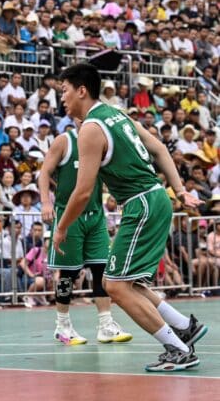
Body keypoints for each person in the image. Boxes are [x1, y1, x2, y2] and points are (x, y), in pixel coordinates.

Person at [53, 63, 207, 372]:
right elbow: (160, 148)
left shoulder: (91, 128)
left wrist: (62, 227)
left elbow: (83, 192)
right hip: (154, 198)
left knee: (115, 286)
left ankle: (178, 349)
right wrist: (179, 190)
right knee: (128, 281)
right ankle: (183, 326)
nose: (62, 99)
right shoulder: (117, 114)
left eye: (64, 91)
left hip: (142, 204)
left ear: (81, 90)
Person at [39, 123, 133, 345]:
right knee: (68, 275)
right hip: (69, 215)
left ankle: (106, 324)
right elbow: (44, 172)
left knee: (102, 270)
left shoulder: (103, 142)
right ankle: (62, 325)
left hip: (96, 215)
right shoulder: (65, 140)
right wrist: (45, 202)